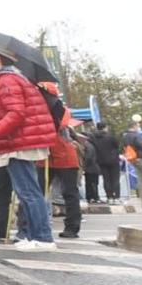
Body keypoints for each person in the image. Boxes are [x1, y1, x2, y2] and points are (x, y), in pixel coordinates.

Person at [0, 51, 58, 250]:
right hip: (21, 141)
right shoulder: (10, 78)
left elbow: (16, 113)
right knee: (28, 192)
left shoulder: (7, 80)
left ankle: (42, 237)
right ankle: (34, 235)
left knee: (29, 192)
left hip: (18, 143)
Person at [42, 83, 85, 240]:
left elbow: (60, 125)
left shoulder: (61, 110)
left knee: (69, 192)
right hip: (45, 155)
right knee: (38, 192)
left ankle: (72, 226)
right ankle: (32, 224)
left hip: (62, 154)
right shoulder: (45, 108)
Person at [85, 119, 119, 204]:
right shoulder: (111, 137)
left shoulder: (93, 138)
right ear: (105, 128)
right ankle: (116, 197)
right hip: (113, 161)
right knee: (115, 179)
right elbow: (117, 146)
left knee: (106, 179)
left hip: (101, 161)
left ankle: (109, 197)